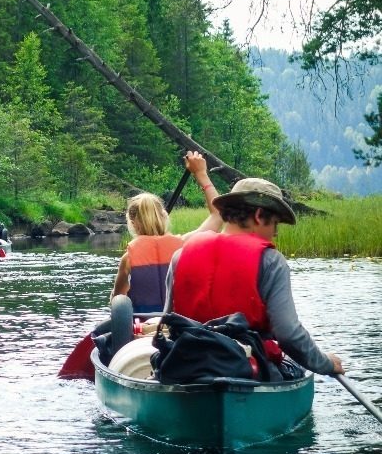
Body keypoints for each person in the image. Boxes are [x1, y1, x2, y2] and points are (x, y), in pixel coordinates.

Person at [163, 177, 344, 376]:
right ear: (259, 215)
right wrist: (326, 364)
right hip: (247, 370)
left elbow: (168, 322)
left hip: (187, 367)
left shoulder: (180, 256)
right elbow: (288, 335)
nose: (275, 232)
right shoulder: (271, 261)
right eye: (275, 223)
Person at [110, 150, 222, 313]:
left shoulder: (128, 259)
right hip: (177, 324)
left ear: (133, 223)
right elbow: (218, 215)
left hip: (142, 323)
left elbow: (117, 303)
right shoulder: (183, 245)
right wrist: (201, 174)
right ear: (163, 216)